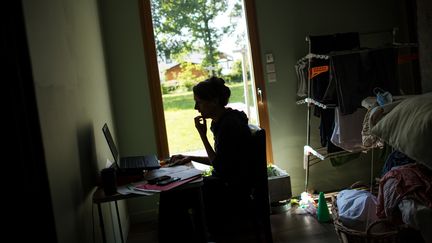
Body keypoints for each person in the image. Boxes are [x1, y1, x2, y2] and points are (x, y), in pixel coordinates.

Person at [158, 76, 256, 242]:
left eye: (199, 102)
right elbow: (222, 159)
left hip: (230, 189)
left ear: (215, 101)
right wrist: (190, 157)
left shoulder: (228, 126)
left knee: (171, 196)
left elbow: (220, 165)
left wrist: (202, 136)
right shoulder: (226, 120)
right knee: (171, 193)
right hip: (226, 182)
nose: (196, 107)